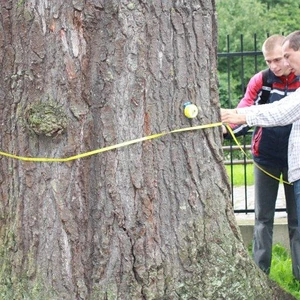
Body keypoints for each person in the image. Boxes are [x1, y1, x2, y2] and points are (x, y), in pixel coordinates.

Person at [222, 33, 300, 280]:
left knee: (296, 222)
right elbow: (249, 106)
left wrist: (239, 116)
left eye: (282, 58)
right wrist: (229, 125)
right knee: (262, 218)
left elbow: (282, 113)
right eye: (270, 61)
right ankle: (260, 276)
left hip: (295, 161)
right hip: (266, 158)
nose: (277, 66)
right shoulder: (262, 81)